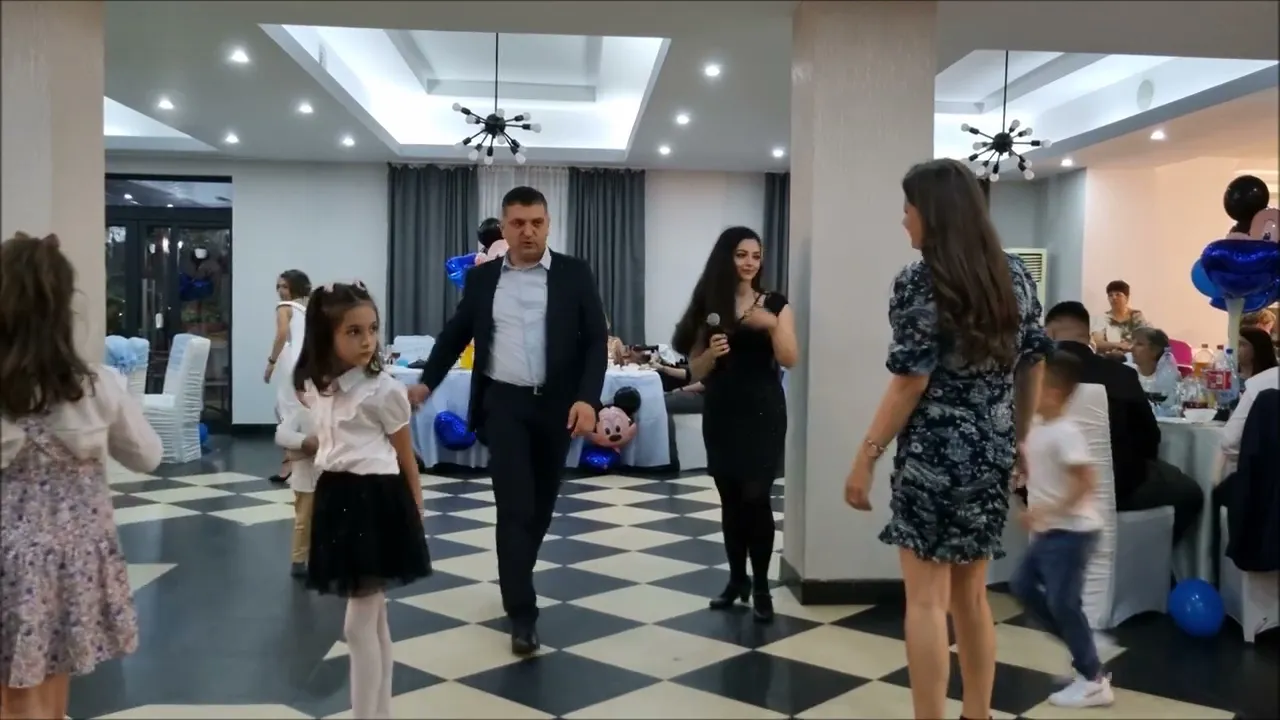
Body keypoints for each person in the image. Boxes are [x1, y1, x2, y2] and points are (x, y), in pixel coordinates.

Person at [843, 159, 1053, 720]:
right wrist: (1020, 439)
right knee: (972, 597)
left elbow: (910, 381)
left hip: (933, 455)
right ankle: (976, 714)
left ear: (933, 214)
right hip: (991, 451)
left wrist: (866, 456)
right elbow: (1033, 363)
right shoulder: (1015, 275)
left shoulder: (920, 280)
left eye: (908, 208)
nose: (903, 219)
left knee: (926, 602)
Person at [408, 186, 607, 655]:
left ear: (548, 224)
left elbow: (596, 342)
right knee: (514, 507)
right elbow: (455, 335)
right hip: (505, 406)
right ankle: (522, 611)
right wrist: (426, 383)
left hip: (557, 408)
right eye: (518, 223)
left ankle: (517, 574)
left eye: (536, 222)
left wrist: (587, 399)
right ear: (504, 227)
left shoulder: (574, 274)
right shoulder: (482, 280)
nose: (528, 231)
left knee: (540, 509)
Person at [0, 233, 163, 719]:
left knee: (12, 691)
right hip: (73, 560)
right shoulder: (96, 386)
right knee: (55, 675)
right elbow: (148, 456)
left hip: (7, 559)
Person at [291, 281, 431, 719]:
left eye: (372, 329)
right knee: (375, 621)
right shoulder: (316, 386)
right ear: (326, 335)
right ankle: (380, 713)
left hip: (376, 501)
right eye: (354, 331)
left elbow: (406, 456)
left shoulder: (382, 390)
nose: (368, 340)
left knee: (357, 626)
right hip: (336, 497)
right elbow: (328, 441)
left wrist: (416, 507)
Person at [672, 226, 798, 622]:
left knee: (756, 498)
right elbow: (693, 370)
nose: (749, 263)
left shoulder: (775, 304)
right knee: (730, 499)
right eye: (742, 254)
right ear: (727, 257)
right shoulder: (709, 305)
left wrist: (771, 325)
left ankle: (761, 587)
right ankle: (736, 580)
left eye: (756, 256)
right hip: (722, 409)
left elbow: (790, 358)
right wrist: (710, 354)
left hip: (763, 411)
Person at [1009, 351, 1115, 709]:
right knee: (1023, 586)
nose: (1025, 393)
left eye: (1034, 385)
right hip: (1052, 530)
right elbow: (1040, 467)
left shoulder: (1067, 433)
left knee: (1062, 603)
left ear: (1053, 392)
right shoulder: (1040, 428)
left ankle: (1093, 679)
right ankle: (1084, 643)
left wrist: (1049, 511)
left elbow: (1086, 481)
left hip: (1073, 532)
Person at [1045, 301, 1202, 543]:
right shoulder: (1120, 374)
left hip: (1047, 485)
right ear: (1087, 335)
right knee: (1190, 493)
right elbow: (1149, 437)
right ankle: (1147, 553)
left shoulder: (1033, 374)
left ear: (1049, 333)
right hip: (1119, 486)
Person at [266, 269, 311, 484]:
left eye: (284, 286)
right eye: (278, 286)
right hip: (306, 362)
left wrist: (271, 362)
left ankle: (290, 463)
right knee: (296, 410)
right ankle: (296, 461)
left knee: (286, 411)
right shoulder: (306, 309)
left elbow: (281, 335)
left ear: (295, 287)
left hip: (291, 362)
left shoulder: (284, 308)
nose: (280, 291)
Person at [1222, 327, 1279, 471]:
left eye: (1243, 344)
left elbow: (1230, 440)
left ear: (1257, 349)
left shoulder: (1260, 382)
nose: (1237, 349)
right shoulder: (1233, 375)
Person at [275, 403, 319, 578]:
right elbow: (283, 437)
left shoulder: (332, 411)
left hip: (328, 476)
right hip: (306, 479)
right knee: (304, 520)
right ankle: (298, 560)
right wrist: (306, 445)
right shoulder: (300, 414)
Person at [1090, 280, 1148, 358]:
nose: (1114, 298)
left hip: (1134, 358)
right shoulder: (1102, 318)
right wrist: (1118, 345)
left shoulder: (1136, 316)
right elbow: (1097, 342)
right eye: (1110, 295)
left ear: (1127, 298)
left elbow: (1145, 338)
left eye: (1118, 295)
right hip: (1110, 358)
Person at [1130, 326, 1171, 392]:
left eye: (1139, 344)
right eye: (1132, 343)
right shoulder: (1125, 374)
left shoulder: (1168, 379)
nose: (1131, 348)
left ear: (1155, 350)